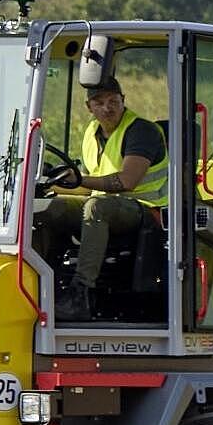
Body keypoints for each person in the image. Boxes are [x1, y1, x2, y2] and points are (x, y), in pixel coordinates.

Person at [47, 67, 166, 310]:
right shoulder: (91, 133)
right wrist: (57, 184)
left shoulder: (142, 131)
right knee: (49, 207)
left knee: (96, 208)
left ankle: (81, 294)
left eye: (114, 101)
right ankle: (44, 282)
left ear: (124, 101)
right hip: (109, 203)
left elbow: (126, 182)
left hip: (148, 211)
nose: (107, 108)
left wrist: (79, 179)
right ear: (89, 107)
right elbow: (93, 184)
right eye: (99, 102)